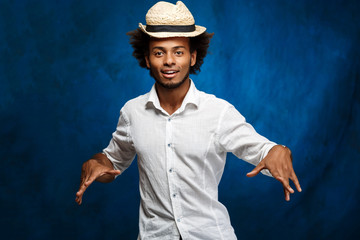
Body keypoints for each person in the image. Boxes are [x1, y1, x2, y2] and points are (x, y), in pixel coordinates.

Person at [75, 1, 302, 239]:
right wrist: (96, 162)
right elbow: (112, 161)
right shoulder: (132, 112)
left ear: (192, 57)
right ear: (147, 58)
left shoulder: (218, 111)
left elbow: (265, 150)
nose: (169, 61)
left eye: (178, 52)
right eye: (159, 52)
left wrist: (280, 150)